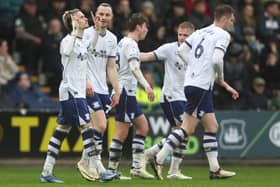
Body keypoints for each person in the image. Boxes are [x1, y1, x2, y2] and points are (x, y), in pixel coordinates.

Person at [154, 4, 239, 180]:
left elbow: (181, 50)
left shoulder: (200, 31)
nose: (231, 24)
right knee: (187, 128)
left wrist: (194, 66)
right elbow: (217, 59)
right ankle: (158, 157)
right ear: (224, 18)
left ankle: (215, 169)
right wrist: (220, 78)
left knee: (212, 126)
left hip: (192, 83)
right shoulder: (223, 35)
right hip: (201, 85)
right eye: (231, 20)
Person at [40, 8, 115, 183]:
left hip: (77, 92)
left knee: (61, 130)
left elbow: (92, 45)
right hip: (72, 92)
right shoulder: (68, 40)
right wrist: (74, 29)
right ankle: (99, 168)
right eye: (81, 17)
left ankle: (46, 172)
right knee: (87, 127)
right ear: (74, 21)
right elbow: (66, 51)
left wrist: (96, 29)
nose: (85, 19)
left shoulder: (82, 42)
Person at [140, 21, 194, 180]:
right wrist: (128, 54)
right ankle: (158, 158)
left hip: (185, 97)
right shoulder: (170, 49)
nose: (182, 38)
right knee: (183, 130)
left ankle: (167, 165)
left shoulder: (195, 52)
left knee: (184, 133)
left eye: (186, 35)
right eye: (180, 34)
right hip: (171, 96)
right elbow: (148, 56)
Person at [108, 13, 155, 179]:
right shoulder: (131, 44)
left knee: (143, 127)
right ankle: (111, 171)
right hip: (125, 92)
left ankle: (136, 167)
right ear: (139, 27)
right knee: (121, 132)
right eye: (145, 27)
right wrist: (147, 86)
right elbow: (134, 68)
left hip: (127, 92)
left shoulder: (123, 42)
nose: (147, 30)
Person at [77, 3, 120, 181]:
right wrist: (85, 81)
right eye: (100, 14)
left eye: (107, 15)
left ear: (111, 17)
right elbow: (79, 60)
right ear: (94, 15)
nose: (103, 17)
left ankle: (86, 161)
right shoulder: (85, 34)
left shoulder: (112, 38)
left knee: (98, 129)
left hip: (103, 88)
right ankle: (98, 167)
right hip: (87, 86)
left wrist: (117, 90)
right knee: (101, 125)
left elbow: (111, 67)